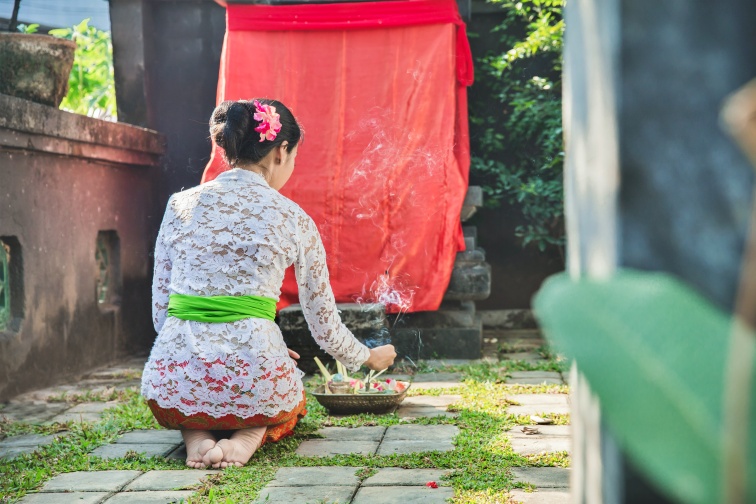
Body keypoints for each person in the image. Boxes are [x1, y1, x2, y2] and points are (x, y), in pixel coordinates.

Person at [141, 98, 397, 469]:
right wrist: (368, 356)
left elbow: (162, 313)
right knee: (286, 397)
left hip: (175, 380)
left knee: (185, 393)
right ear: (282, 151)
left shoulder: (179, 204)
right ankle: (248, 435)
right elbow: (324, 327)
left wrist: (211, 347)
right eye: (292, 158)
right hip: (254, 378)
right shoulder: (294, 218)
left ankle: (196, 436)